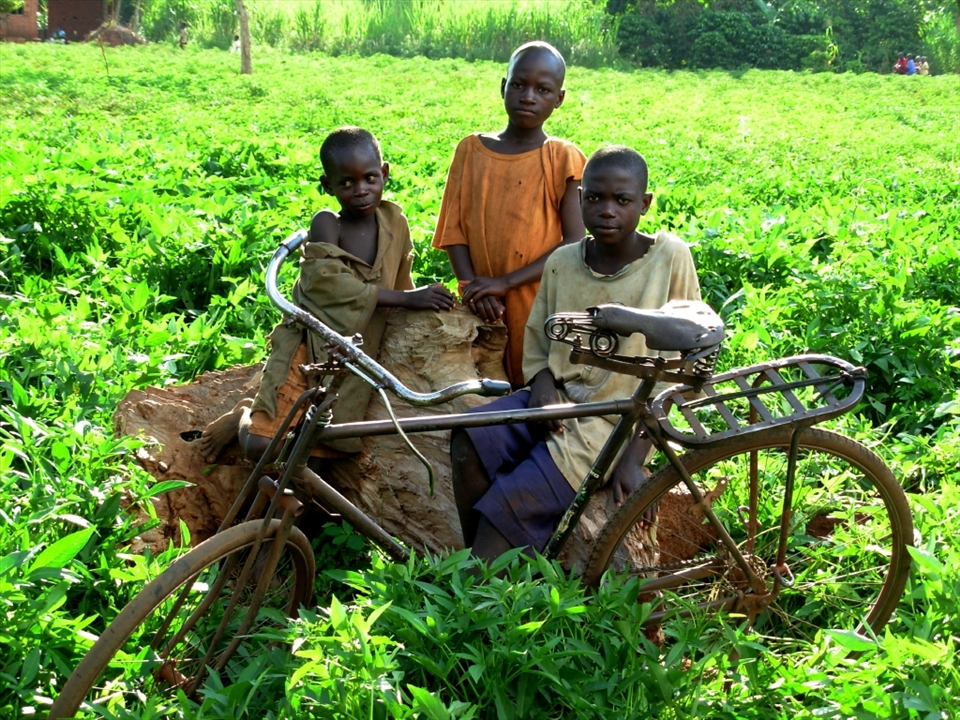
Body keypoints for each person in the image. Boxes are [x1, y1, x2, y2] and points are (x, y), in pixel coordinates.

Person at [450, 145, 702, 563]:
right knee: (470, 438)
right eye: (595, 198)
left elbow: (681, 372)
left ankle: (487, 571)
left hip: (616, 419)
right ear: (580, 198)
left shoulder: (668, 257)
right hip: (555, 402)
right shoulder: (564, 261)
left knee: (510, 504)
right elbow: (539, 340)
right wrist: (544, 384)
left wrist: (634, 457)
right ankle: (484, 561)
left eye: (622, 201)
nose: (607, 210)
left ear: (644, 204)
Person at [199, 127, 455, 464]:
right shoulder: (327, 224)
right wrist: (407, 299)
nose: (361, 190)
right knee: (260, 446)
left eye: (370, 178)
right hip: (309, 340)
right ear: (327, 185)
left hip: (356, 354)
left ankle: (281, 513)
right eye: (346, 183)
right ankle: (243, 416)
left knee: (324, 452)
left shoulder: (395, 221)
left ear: (385, 174)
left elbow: (401, 280)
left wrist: (420, 300)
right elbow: (330, 285)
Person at [431, 41, 586, 387]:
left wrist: (504, 283)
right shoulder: (471, 150)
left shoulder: (562, 157)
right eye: (518, 85)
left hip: (539, 302)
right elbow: (453, 229)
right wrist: (472, 287)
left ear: (558, 98)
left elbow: (574, 241)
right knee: (483, 384)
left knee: (536, 384)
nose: (528, 96)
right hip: (482, 306)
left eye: (542, 89)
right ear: (504, 86)